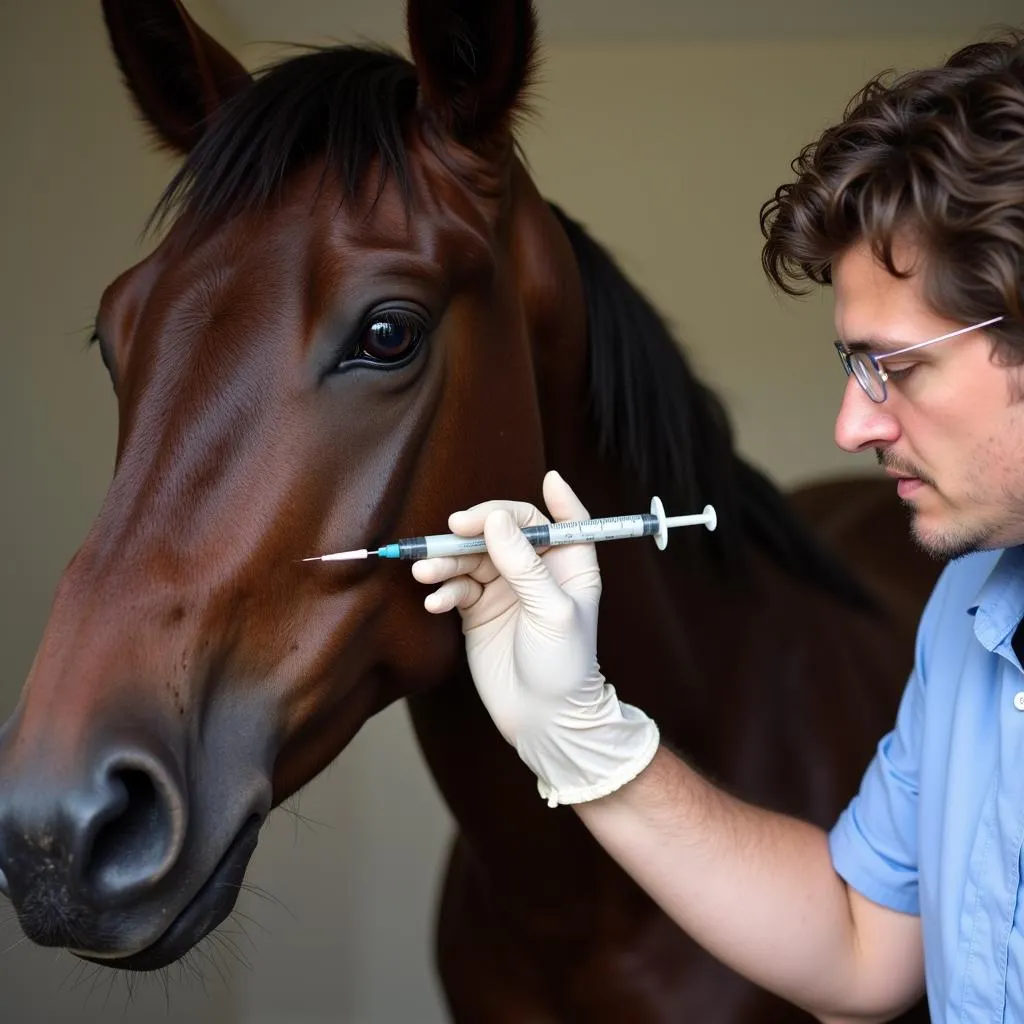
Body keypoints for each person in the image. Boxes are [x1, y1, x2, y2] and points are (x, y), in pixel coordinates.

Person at [409, 33, 1024, 1024]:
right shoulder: (968, 605)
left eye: (896, 368)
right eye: (849, 370)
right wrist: (588, 738)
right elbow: (860, 948)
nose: (851, 427)